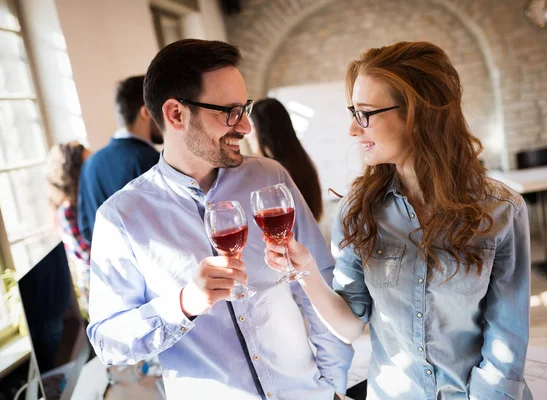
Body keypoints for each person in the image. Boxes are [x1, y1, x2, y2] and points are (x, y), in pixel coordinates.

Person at [263, 41, 532, 399]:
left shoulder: (501, 210)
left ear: (418, 114)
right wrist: (307, 270)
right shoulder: (357, 212)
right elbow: (349, 326)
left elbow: (507, 342)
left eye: (365, 113)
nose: (353, 130)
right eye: (353, 112)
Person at [86, 39, 353, 399]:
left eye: (244, 109)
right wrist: (182, 304)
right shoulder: (122, 218)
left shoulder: (270, 179)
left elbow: (317, 279)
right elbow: (107, 341)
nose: (245, 127)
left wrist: (333, 384)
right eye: (229, 112)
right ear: (176, 114)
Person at [77, 75, 163, 244]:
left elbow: (86, 230)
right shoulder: (151, 161)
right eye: (160, 111)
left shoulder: (90, 164)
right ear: (146, 112)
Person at [248, 98, 323, 222]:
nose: (247, 135)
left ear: (264, 132)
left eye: (252, 128)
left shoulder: (276, 173)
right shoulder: (300, 162)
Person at [47, 141, 91, 307]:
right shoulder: (67, 212)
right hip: (97, 289)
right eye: (87, 165)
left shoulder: (82, 202)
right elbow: (88, 255)